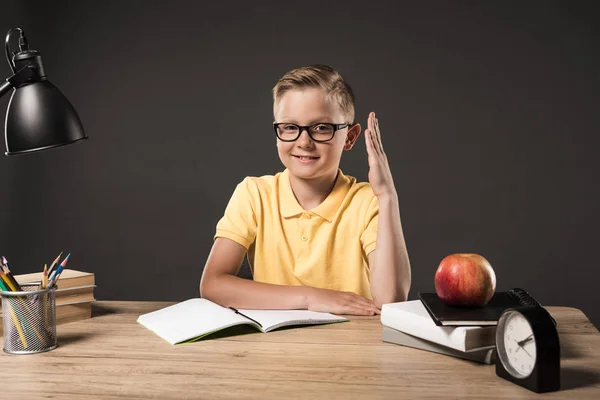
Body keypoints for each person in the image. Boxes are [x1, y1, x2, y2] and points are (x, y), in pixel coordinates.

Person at [200, 65, 410, 315]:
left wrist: (387, 196)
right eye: (290, 127)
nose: (304, 142)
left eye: (321, 128)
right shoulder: (253, 194)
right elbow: (212, 285)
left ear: (350, 137)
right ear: (277, 132)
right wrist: (310, 297)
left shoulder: (366, 201)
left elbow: (391, 300)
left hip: (352, 347)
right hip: (273, 348)